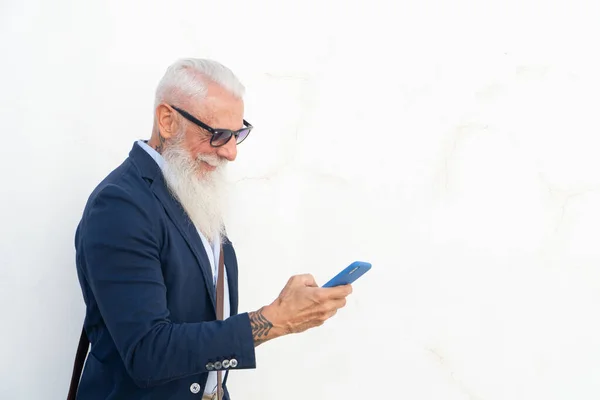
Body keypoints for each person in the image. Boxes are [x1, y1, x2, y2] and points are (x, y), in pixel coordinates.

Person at [72, 58, 353, 400]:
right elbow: (148, 353)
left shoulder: (189, 188)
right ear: (167, 120)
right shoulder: (120, 205)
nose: (232, 152)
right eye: (218, 135)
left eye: (238, 134)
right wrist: (275, 319)